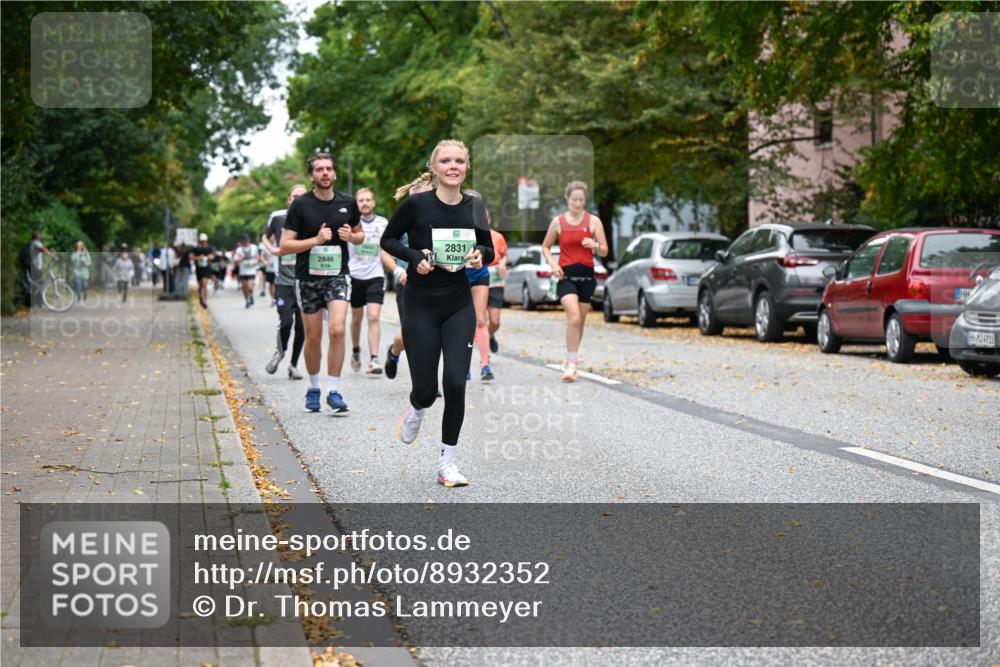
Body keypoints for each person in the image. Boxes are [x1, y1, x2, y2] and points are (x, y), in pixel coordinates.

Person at [381, 139, 494, 488]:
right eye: (446, 160)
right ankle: (416, 406)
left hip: (458, 304)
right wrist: (415, 257)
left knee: (456, 383)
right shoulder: (417, 205)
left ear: (466, 167)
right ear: (434, 168)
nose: (453, 166)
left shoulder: (475, 207)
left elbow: (488, 248)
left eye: (459, 160)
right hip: (420, 305)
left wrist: (479, 255)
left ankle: (447, 463)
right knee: (427, 390)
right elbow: (388, 240)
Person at [278, 153, 364, 414]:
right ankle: (314, 387)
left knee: (337, 329)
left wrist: (352, 237)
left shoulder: (348, 202)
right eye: (319, 169)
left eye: (328, 168)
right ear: (312, 175)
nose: (325, 173)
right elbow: (285, 246)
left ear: (335, 173)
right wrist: (315, 241)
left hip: (338, 275)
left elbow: (360, 235)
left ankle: (333, 391)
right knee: (313, 336)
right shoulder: (301, 205)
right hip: (308, 278)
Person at [542, 180, 609, 382]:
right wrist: (553, 265)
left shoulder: (594, 222)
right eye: (574, 200)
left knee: (580, 323)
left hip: (587, 278)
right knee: (574, 318)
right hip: (566, 277)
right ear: (567, 199)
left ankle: (571, 357)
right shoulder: (558, 222)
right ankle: (571, 365)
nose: (577, 203)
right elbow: (545, 247)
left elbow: (604, 251)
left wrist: (594, 245)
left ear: (585, 200)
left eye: (581, 200)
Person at [382, 177, 434, 380]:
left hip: (433, 284)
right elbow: (384, 250)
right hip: (407, 283)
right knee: (412, 333)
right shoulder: (404, 219)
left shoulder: (439, 219)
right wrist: (398, 271)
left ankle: (426, 381)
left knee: (432, 333)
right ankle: (394, 352)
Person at [262, 184, 308, 380]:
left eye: (302, 196)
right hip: (283, 281)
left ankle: (294, 365)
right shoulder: (278, 217)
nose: (298, 200)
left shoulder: (312, 217)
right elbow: (265, 237)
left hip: (305, 281)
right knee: (286, 321)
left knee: (302, 327)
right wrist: (272, 249)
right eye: (295, 196)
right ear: (289, 199)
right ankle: (279, 352)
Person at [462, 190, 506, 382]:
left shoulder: (483, 227)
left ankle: (485, 365)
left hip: (479, 274)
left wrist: (482, 255)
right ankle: (463, 366)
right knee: (463, 323)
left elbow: (490, 252)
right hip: (458, 276)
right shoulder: (452, 221)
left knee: (481, 320)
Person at [348, 187, 389, 376]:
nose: (364, 203)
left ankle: (374, 359)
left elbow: (386, 249)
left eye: (367, 200)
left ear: (373, 203)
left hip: (375, 275)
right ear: (356, 204)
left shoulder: (383, 223)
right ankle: (356, 350)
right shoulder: (350, 223)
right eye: (361, 200)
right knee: (356, 318)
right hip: (354, 276)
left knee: (373, 317)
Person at [189, 233, 215, 308]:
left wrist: (208, 257)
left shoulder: (209, 248)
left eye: (204, 241)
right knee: (200, 285)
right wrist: (198, 258)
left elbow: (212, 256)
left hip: (206, 269)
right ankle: (201, 297)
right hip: (199, 269)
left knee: (205, 283)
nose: (203, 242)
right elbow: (191, 257)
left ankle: (205, 301)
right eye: (202, 241)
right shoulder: (196, 249)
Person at [233, 235, 259, 308]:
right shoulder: (239, 250)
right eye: (244, 241)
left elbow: (257, 256)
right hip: (243, 271)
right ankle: (247, 300)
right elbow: (235, 260)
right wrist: (240, 259)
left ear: (249, 240)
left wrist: (256, 261)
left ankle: (251, 295)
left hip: (251, 271)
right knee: (244, 287)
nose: (246, 242)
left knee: (250, 287)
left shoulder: (254, 247)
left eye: (247, 240)